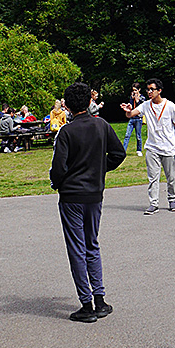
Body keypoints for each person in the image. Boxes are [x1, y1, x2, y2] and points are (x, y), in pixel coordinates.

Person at [50, 82, 126, 323]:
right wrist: (99, 168)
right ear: (89, 102)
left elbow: (59, 167)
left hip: (72, 195)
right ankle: (100, 299)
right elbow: (119, 154)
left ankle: (86, 304)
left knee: (77, 248)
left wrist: (56, 182)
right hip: (94, 193)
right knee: (92, 245)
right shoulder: (101, 125)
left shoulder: (67, 132)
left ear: (68, 106)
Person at [121, 78, 175, 214]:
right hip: (152, 148)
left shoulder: (170, 106)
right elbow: (131, 114)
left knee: (171, 177)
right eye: (148, 89)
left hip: (169, 147)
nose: (149, 92)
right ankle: (153, 203)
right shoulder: (145, 105)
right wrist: (127, 110)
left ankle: (172, 200)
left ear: (159, 91)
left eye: (152, 89)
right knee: (153, 178)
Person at [122, 83, 144, 155]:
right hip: (132, 118)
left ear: (139, 90)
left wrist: (137, 101)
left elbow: (142, 108)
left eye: (135, 90)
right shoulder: (132, 97)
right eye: (133, 90)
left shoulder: (142, 98)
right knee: (127, 135)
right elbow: (130, 107)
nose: (134, 92)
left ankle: (139, 150)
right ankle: (124, 150)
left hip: (138, 118)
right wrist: (129, 103)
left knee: (138, 136)